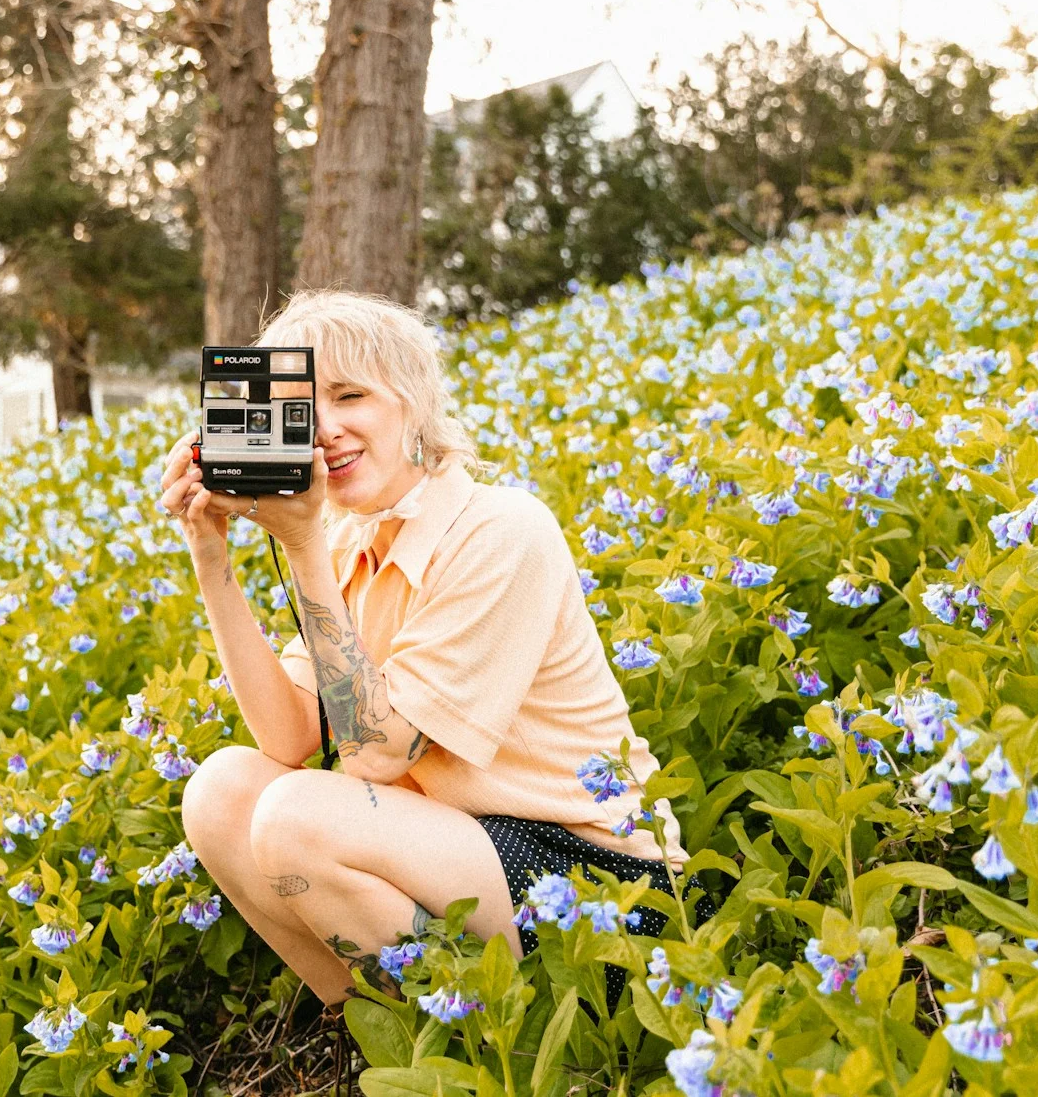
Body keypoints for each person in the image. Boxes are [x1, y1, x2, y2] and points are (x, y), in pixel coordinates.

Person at [156, 289, 711, 1018]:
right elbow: (288, 736)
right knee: (222, 791)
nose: (323, 429)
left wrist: (301, 544)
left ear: (412, 405)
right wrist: (211, 556)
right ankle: (390, 1040)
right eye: (297, 408)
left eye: (350, 394)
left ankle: (503, 1042)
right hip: (463, 855)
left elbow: (379, 753)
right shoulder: (352, 543)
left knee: (293, 815)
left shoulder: (501, 530)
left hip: (604, 890)